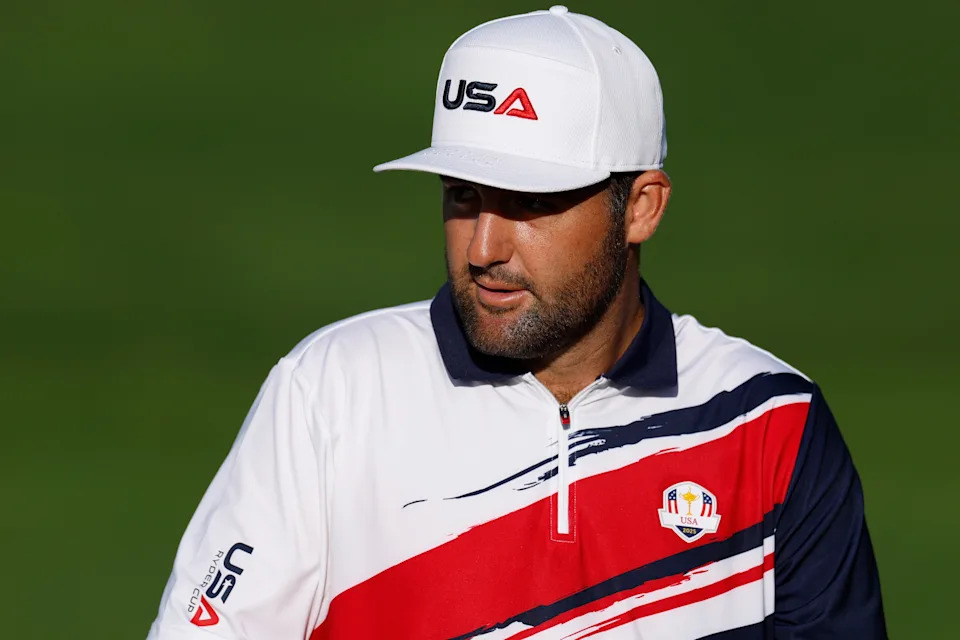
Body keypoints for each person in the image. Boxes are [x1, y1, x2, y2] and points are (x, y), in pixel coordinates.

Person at [147, 6, 886, 639]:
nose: (484, 247)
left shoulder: (769, 425)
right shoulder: (331, 392)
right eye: (463, 195)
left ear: (641, 207)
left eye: (531, 202)